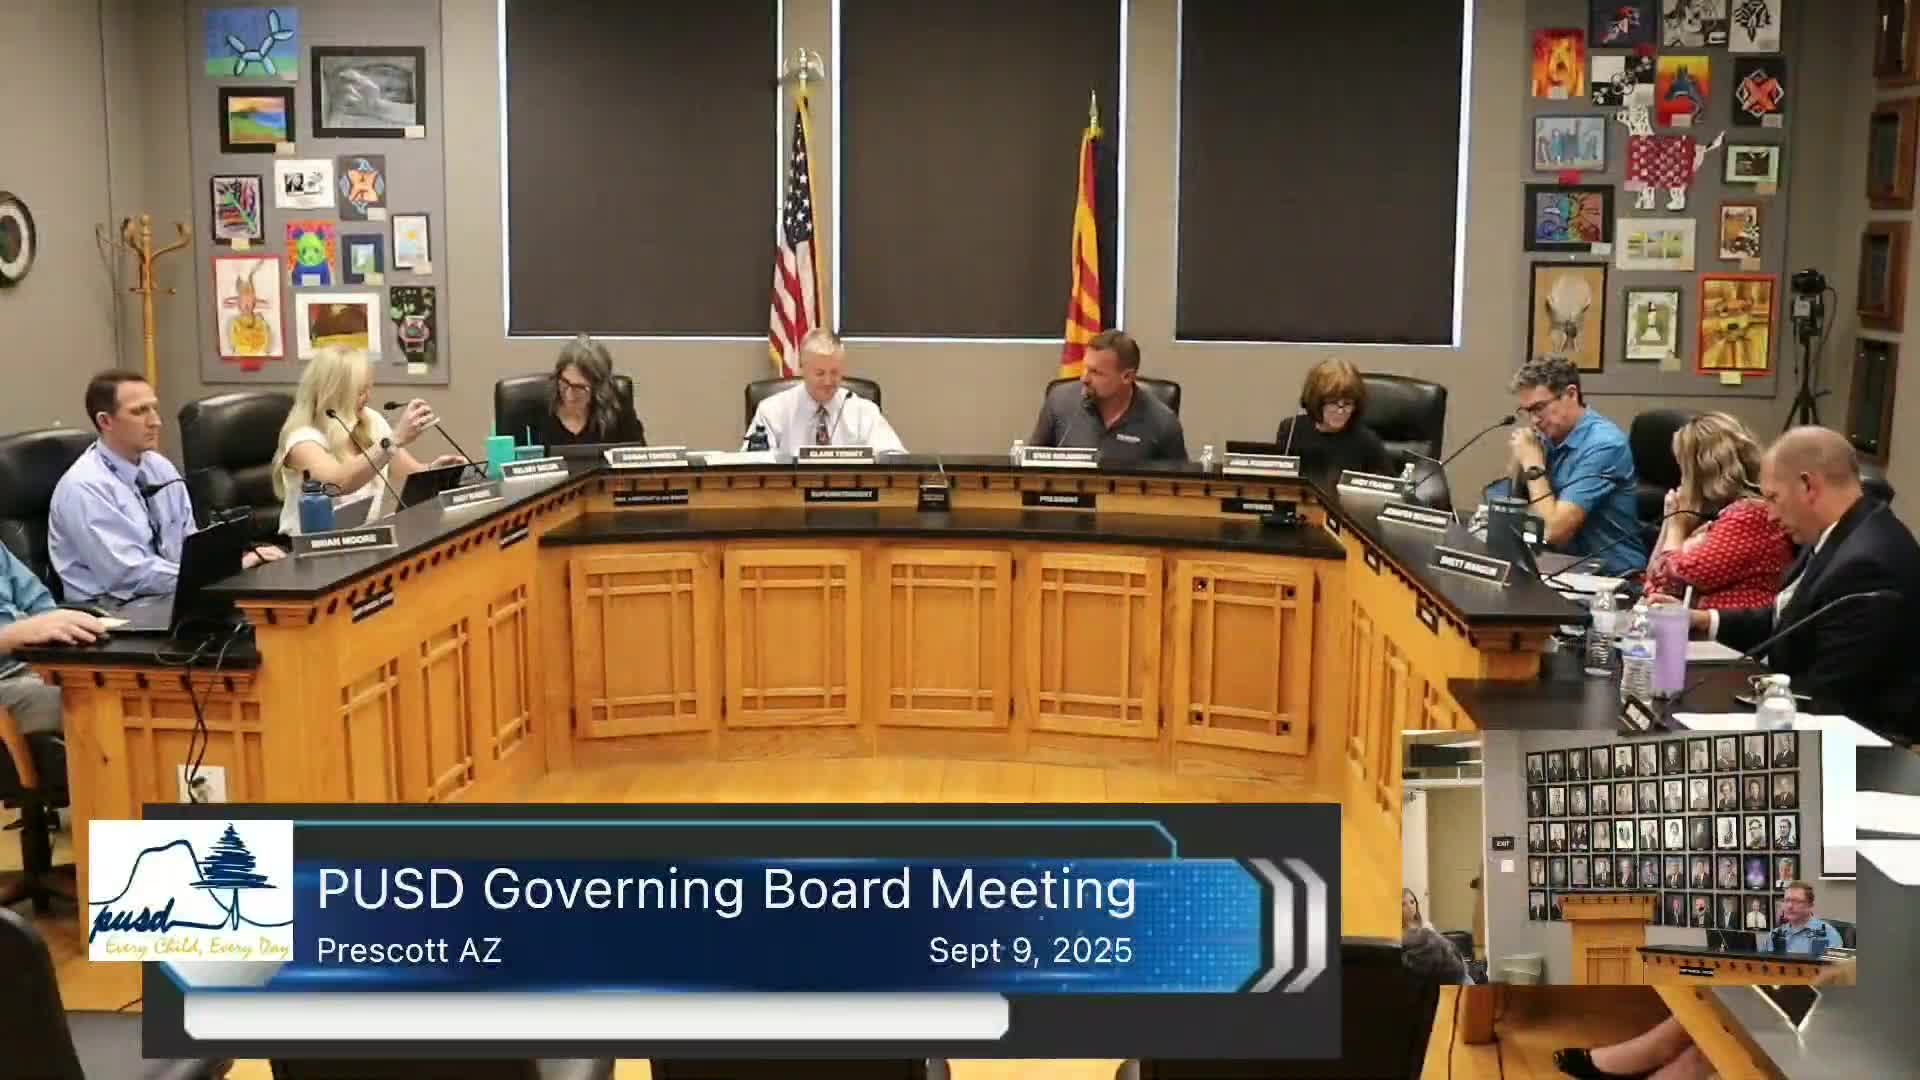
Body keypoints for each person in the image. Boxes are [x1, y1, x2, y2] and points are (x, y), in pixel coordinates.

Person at [1669, 426, 1920, 742]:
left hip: (1858, 744)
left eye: (1773, 498)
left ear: (1808, 486)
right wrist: (1706, 620)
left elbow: (1831, 696)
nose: (1770, 516)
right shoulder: (1839, 533)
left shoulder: (1867, 564)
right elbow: (1790, 620)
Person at [48, 372, 281, 603]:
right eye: (139, 411)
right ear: (105, 421)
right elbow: (129, 576)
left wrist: (227, 564)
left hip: (170, 595)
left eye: (154, 408)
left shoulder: (158, 467)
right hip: (114, 609)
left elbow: (188, 546)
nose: (155, 421)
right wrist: (225, 570)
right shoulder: (85, 487)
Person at [273, 347, 464, 536]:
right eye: (360, 392)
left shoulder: (370, 420)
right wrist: (394, 439)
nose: (368, 397)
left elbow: (408, 473)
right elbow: (338, 483)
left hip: (363, 539)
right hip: (310, 548)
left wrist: (435, 472)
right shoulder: (302, 439)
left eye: (368, 389)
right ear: (334, 393)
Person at [1502, 356, 1646, 575]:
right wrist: (1519, 462)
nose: (1534, 420)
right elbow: (1516, 508)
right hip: (1560, 567)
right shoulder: (1546, 438)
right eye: (1527, 411)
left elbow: (1553, 532)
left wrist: (1532, 465)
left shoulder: (1604, 445)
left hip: (1612, 576)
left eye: (1539, 408)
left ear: (1571, 394)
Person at [1642, 412, 1792, 610]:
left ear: (1698, 472)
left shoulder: (1750, 515)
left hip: (1736, 627)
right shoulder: (1718, 514)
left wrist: (1676, 527)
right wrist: (1670, 518)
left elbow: (1670, 581)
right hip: (1699, 622)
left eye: (1683, 469)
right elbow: (1653, 580)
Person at [1028, 330, 1186, 465]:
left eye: (1096, 372)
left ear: (1127, 377)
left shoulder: (1163, 423)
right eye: (1085, 368)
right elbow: (1029, 468)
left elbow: (1178, 484)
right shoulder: (1059, 401)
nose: (1084, 378)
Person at [0, 543, 108, 738]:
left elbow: (39, 604)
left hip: (33, 662)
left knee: (113, 684)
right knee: (87, 702)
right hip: (5, 679)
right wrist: (14, 634)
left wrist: (62, 627)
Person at [742, 329, 904, 453]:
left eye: (835, 373)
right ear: (802, 369)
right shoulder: (772, 411)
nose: (828, 382)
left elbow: (893, 458)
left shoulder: (864, 412)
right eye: (820, 373)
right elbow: (750, 467)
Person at [1272, 358, 1394, 480]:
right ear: (1316, 401)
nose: (1340, 411)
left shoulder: (1368, 442)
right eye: (1333, 403)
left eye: (1347, 404)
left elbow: (1389, 487)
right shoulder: (1291, 431)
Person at [532, 334, 646, 448]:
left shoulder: (617, 407)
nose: (569, 395)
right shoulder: (537, 407)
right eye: (565, 382)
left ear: (598, 388)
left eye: (580, 387)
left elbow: (638, 454)